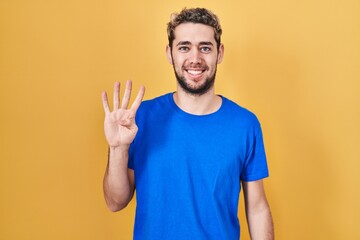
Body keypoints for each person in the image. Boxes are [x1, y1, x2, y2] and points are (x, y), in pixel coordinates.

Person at [101, 8, 274, 240]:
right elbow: (115, 202)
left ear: (219, 53)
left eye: (205, 48)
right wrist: (117, 148)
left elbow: (257, 208)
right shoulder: (139, 119)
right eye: (184, 47)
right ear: (170, 54)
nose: (195, 59)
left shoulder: (245, 125)